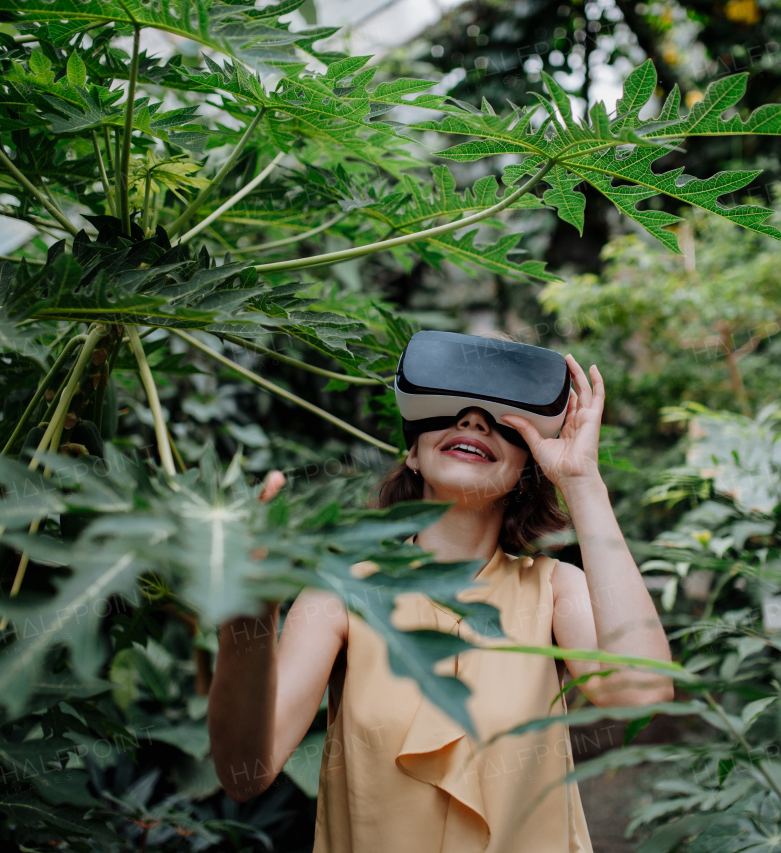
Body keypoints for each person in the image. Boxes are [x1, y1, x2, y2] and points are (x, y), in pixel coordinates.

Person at [208, 352, 675, 853]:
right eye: (453, 410)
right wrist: (247, 618)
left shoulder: (555, 588)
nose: (473, 419)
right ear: (412, 453)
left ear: (528, 469)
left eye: (500, 418)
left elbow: (642, 690)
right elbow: (244, 773)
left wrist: (583, 482)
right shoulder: (342, 592)